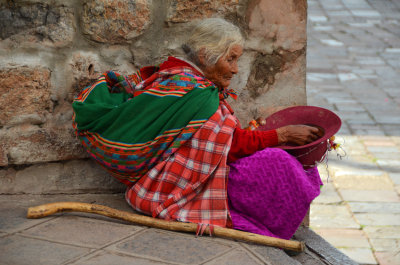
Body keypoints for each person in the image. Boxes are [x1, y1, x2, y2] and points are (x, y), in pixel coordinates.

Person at [72, 18, 322, 240]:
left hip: (174, 174)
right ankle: (270, 222)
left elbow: (212, 138)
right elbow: (232, 146)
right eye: (230, 59)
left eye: (237, 59)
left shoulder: (176, 73)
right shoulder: (196, 92)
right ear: (205, 56)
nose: (235, 69)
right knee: (278, 163)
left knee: (275, 159)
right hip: (171, 185)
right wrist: (282, 135)